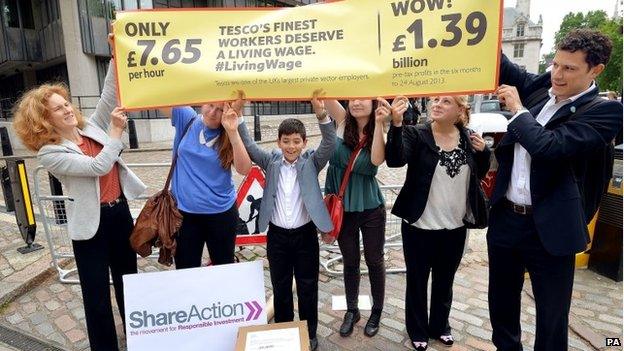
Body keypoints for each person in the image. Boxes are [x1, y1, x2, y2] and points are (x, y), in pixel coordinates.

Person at [489, 29, 623, 351]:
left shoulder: (606, 112)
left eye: (569, 68)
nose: (557, 75)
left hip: (550, 229)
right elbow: (502, 64)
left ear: (595, 70)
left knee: (551, 318)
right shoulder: (542, 86)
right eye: (555, 64)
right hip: (507, 219)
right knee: (501, 307)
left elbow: (549, 147)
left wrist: (519, 111)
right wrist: (477, 28)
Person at [13, 61, 146, 351]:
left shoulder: (91, 127)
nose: (68, 109)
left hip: (119, 215)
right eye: (59, 108)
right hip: (90, 228)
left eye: (67, 104)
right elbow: (99, 166)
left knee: (129, 285)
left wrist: (115, 53)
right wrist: (115, 133)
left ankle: (138, 340)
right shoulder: (50, 153)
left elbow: (109, 94)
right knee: (96, 296)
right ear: (44, 120)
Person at [386, 95, 490, 350]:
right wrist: (396, 125)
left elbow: (481, 172)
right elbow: (395, 160)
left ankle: (440, 326)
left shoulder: (468, 137)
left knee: (445, 281)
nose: (436, 104)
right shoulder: (417, 134)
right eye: (435, 100)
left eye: (445, 101)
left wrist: (484, 152)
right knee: (418, 282)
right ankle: (418, 330)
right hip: (420, 226)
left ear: (459, 110)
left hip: (455, 227)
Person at [235, 93, 336, 351]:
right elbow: (248, 145)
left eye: (296, 141)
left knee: (307, 287)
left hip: (305, 235)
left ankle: (309, 333)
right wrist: (239, 114)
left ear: (303, 142)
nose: (291, 146)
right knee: (280, 288)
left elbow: (330, 142)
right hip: (278, 236)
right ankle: (284, 332)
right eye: (286, 141)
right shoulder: (271, 161)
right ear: (279, 142)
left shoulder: (312, 161)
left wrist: (321, 114)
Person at [323, 97, 394, 338]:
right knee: (350, 261)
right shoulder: (342, 121)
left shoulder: (379, 129)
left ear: (374, 104)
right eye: (353, 98)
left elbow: (374, 162)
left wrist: (379, 122)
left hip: (370, 208)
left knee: (374, 260)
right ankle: (352, 311)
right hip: (343, 209)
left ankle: (376, 311)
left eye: (364, 98)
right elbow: (324, 93)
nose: (357, 102)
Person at [158, 100, 251, 269]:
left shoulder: (228, 131)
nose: (212, 113)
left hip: (221, 213)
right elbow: (157, 96)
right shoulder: (187, 118)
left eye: (220, 110)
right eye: (210, 106)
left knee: (223, 268)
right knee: (186, 269)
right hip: (185, 214)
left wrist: (232, 132)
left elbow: (244, 169)